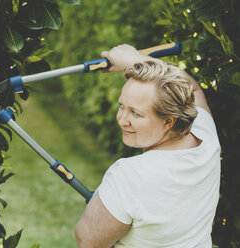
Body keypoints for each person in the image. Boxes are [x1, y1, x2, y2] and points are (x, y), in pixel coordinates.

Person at [75, 44, 221, 248]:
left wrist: (136, 58)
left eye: (135, 113)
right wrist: (134, 59)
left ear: (168, 121)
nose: (122, 120)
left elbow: (87, 240)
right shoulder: (207, 138)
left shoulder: (129, 176)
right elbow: (193, 88)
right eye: (121, 106)